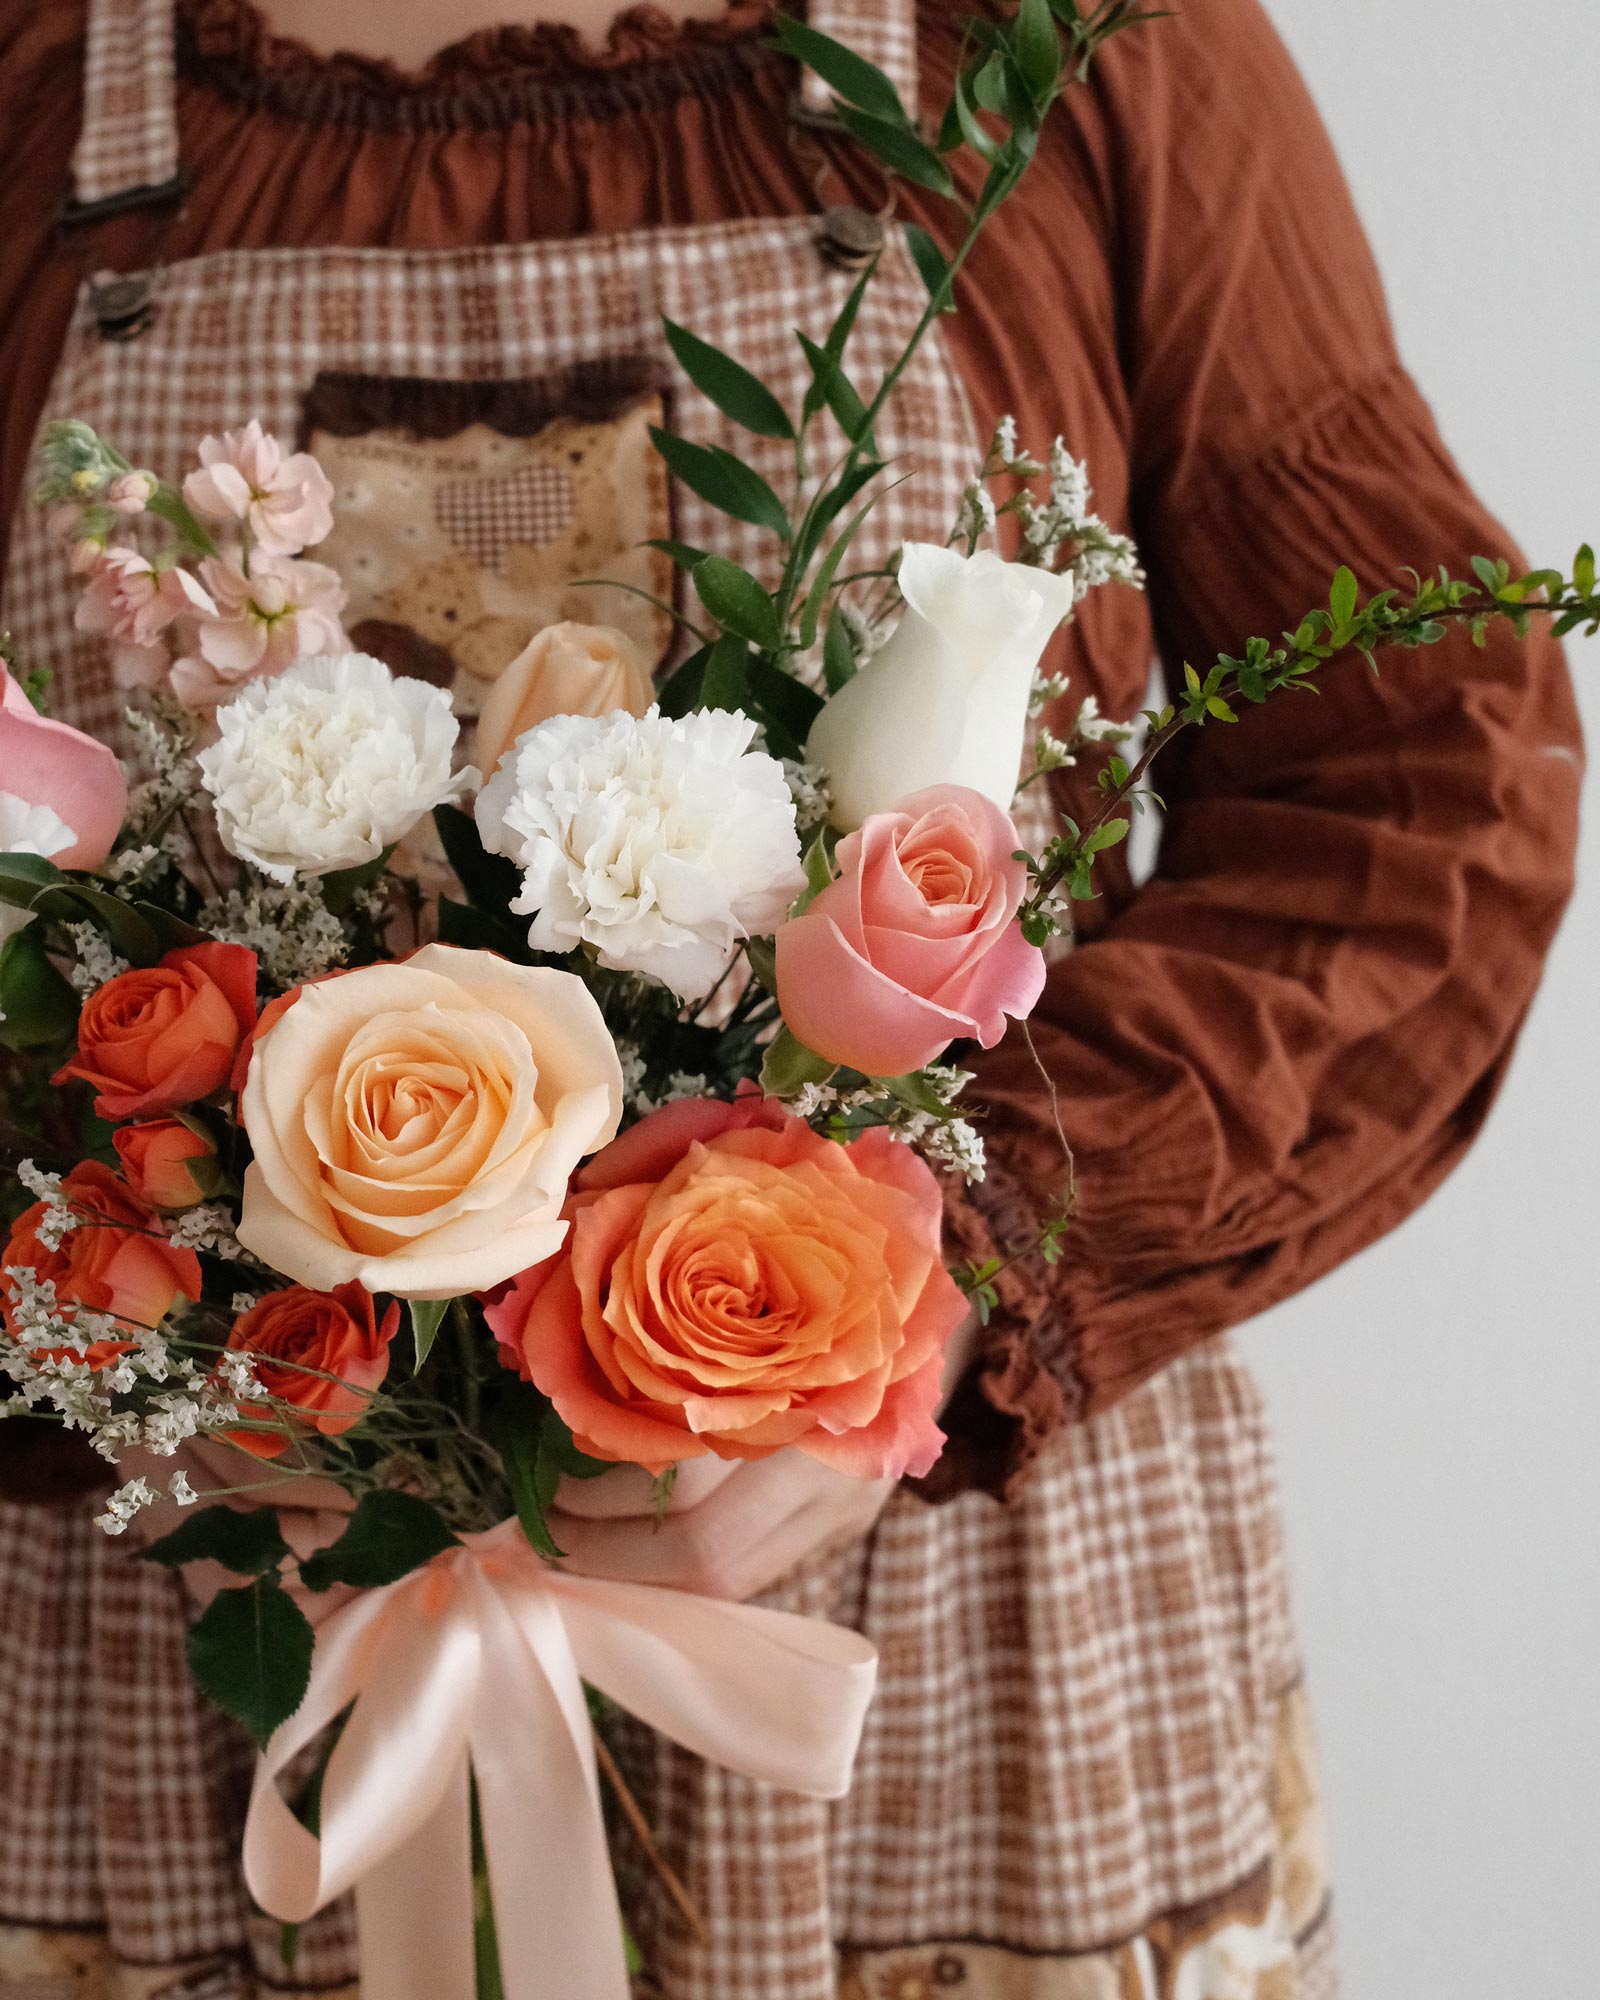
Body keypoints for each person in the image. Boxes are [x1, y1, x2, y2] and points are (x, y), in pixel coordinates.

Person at [0, 0, 1581, 1995]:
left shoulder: (1077, 44)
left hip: (950, 1664)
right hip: (206, 1652)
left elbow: (1416, 776)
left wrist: (956, 1264)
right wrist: (133, 1307)